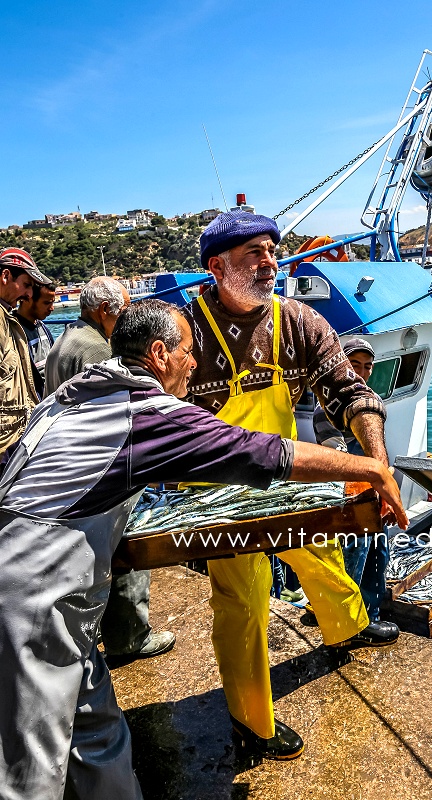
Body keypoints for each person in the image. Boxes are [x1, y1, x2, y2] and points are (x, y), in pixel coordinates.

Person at [0, 299, 407, 798]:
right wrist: (371, 468)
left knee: (98, 733)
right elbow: (260, 452)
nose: (194, 363)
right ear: (159, 354)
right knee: (30, 772)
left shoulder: (74, 394)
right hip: (33, 598)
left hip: (53, 590)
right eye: (188, 352)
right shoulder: (147, 414)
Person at [183, 210, 409, 758]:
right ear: (217, 267)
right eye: (253, 253)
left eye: (271, 250)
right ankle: (251, 723)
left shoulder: (299, 321)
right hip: (216, 489)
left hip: (285, 474)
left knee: (320, 550)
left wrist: (377, 462)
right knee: (243, 598)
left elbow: (350, 392)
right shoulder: (186, 332)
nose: (270, 263)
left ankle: (348, 627)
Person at [44, 277, 175, 662]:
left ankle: (104, 629)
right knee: (127, 547)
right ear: (105, 310)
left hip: (72, 469)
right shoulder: (98, 351)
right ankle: (129, 636)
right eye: (125, 309)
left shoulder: (66, 341)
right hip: (102, 471)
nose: (128, 317)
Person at [313, 337, 392, 626]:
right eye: (355, 365)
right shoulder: (327, 409)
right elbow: (338, 458)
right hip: (350, 498)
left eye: (368, 366)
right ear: (343, 366)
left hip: (374, 495)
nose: (362, 372)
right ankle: (348, 624)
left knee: (378, 558)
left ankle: (371, 617)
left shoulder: (372, 402)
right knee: (352, 562)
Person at [0, 247, 52, 458]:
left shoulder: (8, 320)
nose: (29, 294)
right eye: (27, 285)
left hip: (16, 443)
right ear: (5, 276)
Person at [14, 281, 56, 398]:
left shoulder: (42, 328)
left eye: (52, 302)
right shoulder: (14, 332)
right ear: (27, 299)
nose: (52, 308)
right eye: (47, 303)